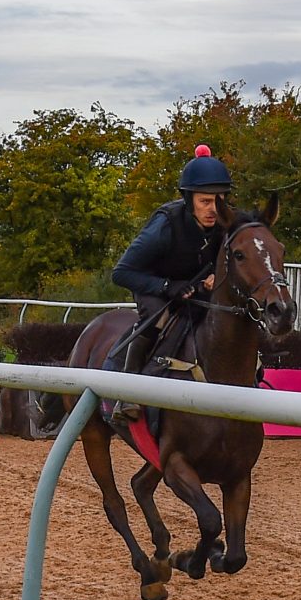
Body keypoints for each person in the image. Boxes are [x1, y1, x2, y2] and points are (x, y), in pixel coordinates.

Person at [107, 148, 234, 424]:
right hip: (151, 282)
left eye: (220, 200)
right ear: (189, 200)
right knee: (159, 318)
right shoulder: (165, 224)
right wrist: (166, 285)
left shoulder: (225, 223)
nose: (214, 209)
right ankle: (128, 392)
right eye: (205, 201)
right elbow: (121, 272)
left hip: (192, 285)